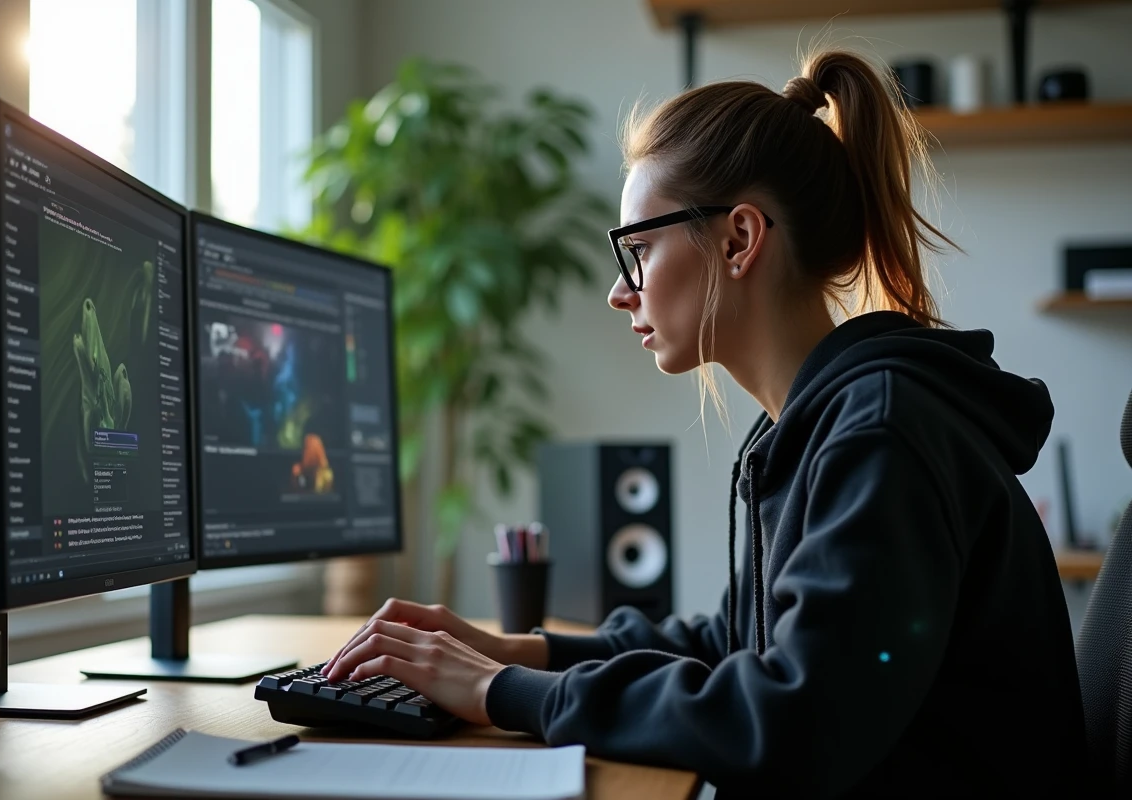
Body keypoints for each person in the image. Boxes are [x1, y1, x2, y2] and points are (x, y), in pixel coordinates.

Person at [322, 48, 1086, 797]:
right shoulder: (818, 423)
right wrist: (516, 652)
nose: (621, 294)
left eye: (640, 250)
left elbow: (798, 718)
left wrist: (503, 692)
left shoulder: (880, 434)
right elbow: (734, 643)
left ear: (739, 239)